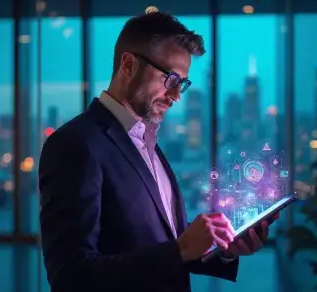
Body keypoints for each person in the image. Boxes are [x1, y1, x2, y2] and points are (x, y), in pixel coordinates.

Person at [39, 12, 277, 292]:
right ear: (129, 64)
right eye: (171, 79)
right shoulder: (75, 144)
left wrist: (223, 247)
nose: (177, 96)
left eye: (183, 84)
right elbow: (70, 276)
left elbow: (163, 241)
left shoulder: (149, 144)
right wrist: (181, 249)